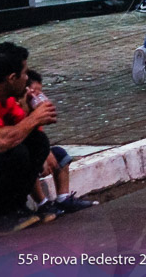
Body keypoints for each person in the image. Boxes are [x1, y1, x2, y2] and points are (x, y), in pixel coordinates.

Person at [0, 43, 58, 233]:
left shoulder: (5, 96)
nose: (27, 78)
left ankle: (13, 209)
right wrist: (34, 118)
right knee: (15, 151)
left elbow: (23, 127)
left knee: (37, 143)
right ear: (11, 78)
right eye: (24, 73)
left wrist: (32, 113)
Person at [21, 70, 95, 219]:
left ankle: (63, 198)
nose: (37, 97)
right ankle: (42, 203)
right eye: (33, 93)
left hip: (33, 148)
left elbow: (39, 138)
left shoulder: (34, 114)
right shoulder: (17, 110)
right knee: (30, 162)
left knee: (60, 155)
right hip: (20, 154)